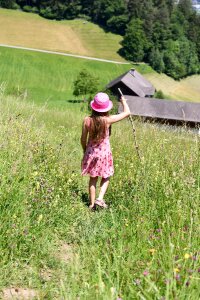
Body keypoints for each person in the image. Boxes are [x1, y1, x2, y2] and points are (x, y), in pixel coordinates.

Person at [81, 92, 130, 210]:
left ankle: (92, 204)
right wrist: (123, 102)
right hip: (104, 155)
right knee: (106, 176)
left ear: (94, 107)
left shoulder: (87, 120)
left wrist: (85, 151)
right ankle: (100, 198)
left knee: (93, 178)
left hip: (91, 153)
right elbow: (127, 113)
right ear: (106, 108)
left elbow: (83, 139)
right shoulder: (107, 120)